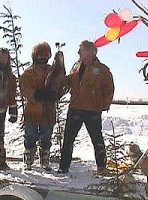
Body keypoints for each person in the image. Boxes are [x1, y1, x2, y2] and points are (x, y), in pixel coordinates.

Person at [58, 40, 115, 174]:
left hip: (92, 109)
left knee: (97, 139)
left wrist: (103, 105)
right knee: (68, 138)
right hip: (75, 107)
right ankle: (63, 167)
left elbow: (109, 88)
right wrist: (59, 77)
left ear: (90, 52)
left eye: (81, 50)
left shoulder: (102, 70)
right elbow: (69, 82)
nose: (78, 53)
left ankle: (101, 167)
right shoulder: (76, 67)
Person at [19, 42, 65, 171]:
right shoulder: (29, 72)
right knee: (31, 135)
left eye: (45, 55)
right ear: (35, 55)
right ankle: (28, 160)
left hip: (48, 110)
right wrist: (36, 94)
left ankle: (45, 160)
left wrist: (55, 95)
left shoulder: (53, 70)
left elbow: (61, 85)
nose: (42, 57)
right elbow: (24, 88)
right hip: (33, 109)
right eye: (40, 55)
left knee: (46, 136)